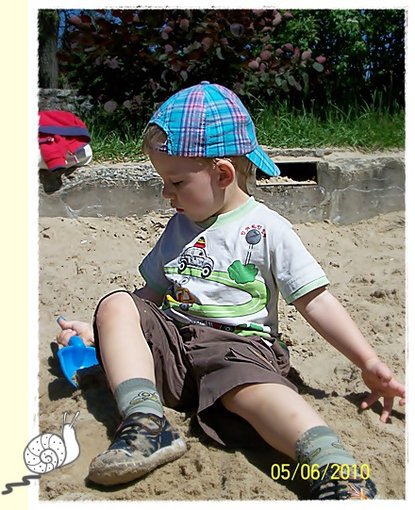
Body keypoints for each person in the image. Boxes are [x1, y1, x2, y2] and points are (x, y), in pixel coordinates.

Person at [56, 81, 405, 499]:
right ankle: (147, 423)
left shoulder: (268, 229)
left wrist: (367, 360)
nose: (166, 194)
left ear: (222, 174)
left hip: (238, 350)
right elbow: (150, 295)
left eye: (176, 182)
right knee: (116, 302)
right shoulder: (179, 226)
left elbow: (315, 300)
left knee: (259, 395)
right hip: (175, 347)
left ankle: (336, 468)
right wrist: (105, 329)